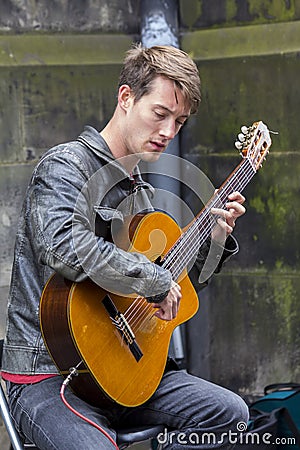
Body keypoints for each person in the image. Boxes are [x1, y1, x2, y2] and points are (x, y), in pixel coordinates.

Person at [1, 44, 249, 449]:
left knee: (230, 414)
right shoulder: (65, 167)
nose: (169, 131)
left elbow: (172, 294)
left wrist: (214, 240)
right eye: (160, 114)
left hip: (124, 374)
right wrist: (153, 278)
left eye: (180, 121)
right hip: (50, 374)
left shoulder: (142, 196)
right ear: (126, 97)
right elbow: (63, 245)